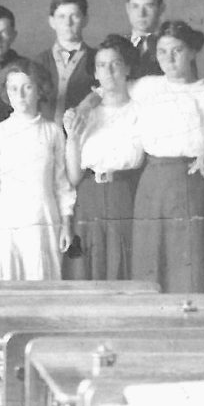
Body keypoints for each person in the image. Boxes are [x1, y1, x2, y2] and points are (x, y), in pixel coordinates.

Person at [129, 21, 204, 310]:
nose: (169, 58)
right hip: (153, 190)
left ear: (192, 52)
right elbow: (106, 94)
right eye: (162, 52)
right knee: (152, 270)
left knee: (195, 273)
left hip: (197, 191)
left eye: (177, 50)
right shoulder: (144, 88)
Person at [0, 60, 73, 280]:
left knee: (39, 278)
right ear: (6, 93)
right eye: (13, 88)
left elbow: (61, 184)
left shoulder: (53, 132)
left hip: (43, 217)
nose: (20, 95)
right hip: (6, 220)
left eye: (27, 87)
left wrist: (66, 225)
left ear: (39, 90)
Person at [63, 36, 144, 280]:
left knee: (123, 267)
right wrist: (73, 138)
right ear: (95, 72)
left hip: (125, 194)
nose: (108, 71)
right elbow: (74, 177)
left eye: (116, 64)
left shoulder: (140, 109)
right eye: (101, 65)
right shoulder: (83, 113)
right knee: (87, 269)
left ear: (127, 68)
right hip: (89, 199)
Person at [34, 0, 96, 122]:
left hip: (83, 134)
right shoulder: (38, 62)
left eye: (74, 16)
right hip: (47, 137)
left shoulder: (97, 59)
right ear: (52, 21)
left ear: (85, 20)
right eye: (61, 17)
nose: (68, 23)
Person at [124, 0, 166, 80]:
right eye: (135, 6)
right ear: (128, 8)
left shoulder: (172, 46)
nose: (141, 13)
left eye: (149, 6)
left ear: (161, 8)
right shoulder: (116, 46)